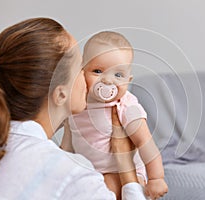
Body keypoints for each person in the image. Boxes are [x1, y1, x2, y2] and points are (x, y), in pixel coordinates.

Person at [0, 17, 147, 199]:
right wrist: (127, 169)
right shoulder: (75, 178)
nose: (89, 78)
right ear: (60, 94)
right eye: (81, 68)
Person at [61, 31, 168, 199]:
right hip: (91, 172)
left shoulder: (125, 106)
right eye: (97, 71)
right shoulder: (78, 104)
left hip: (121, 173)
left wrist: (156, 178)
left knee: (107, 187)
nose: (108, 81)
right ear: (82, 71)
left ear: (129, 79)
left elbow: (145, 143)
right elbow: (66, 146)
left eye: (118, 75)